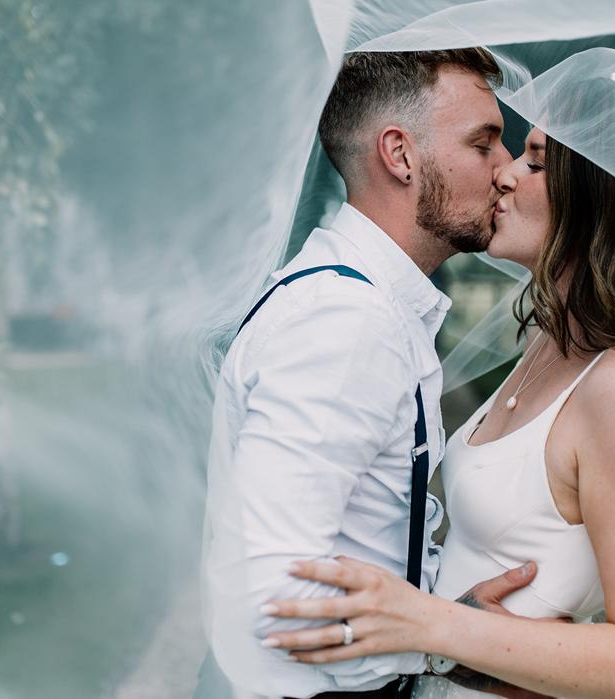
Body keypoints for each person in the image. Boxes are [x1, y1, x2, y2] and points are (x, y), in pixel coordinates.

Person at [260, 48, 615, 697]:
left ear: (596, 194)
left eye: (536, 160)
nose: (505, 174)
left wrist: (431, 623)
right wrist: (439, 636)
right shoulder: (549, 344)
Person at [202, 48, 536, 699]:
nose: (506, 172)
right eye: (484, 142)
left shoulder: (368, 305)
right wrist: (447, 640)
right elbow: (274, 593)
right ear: (400, 154)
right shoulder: (345, 322)